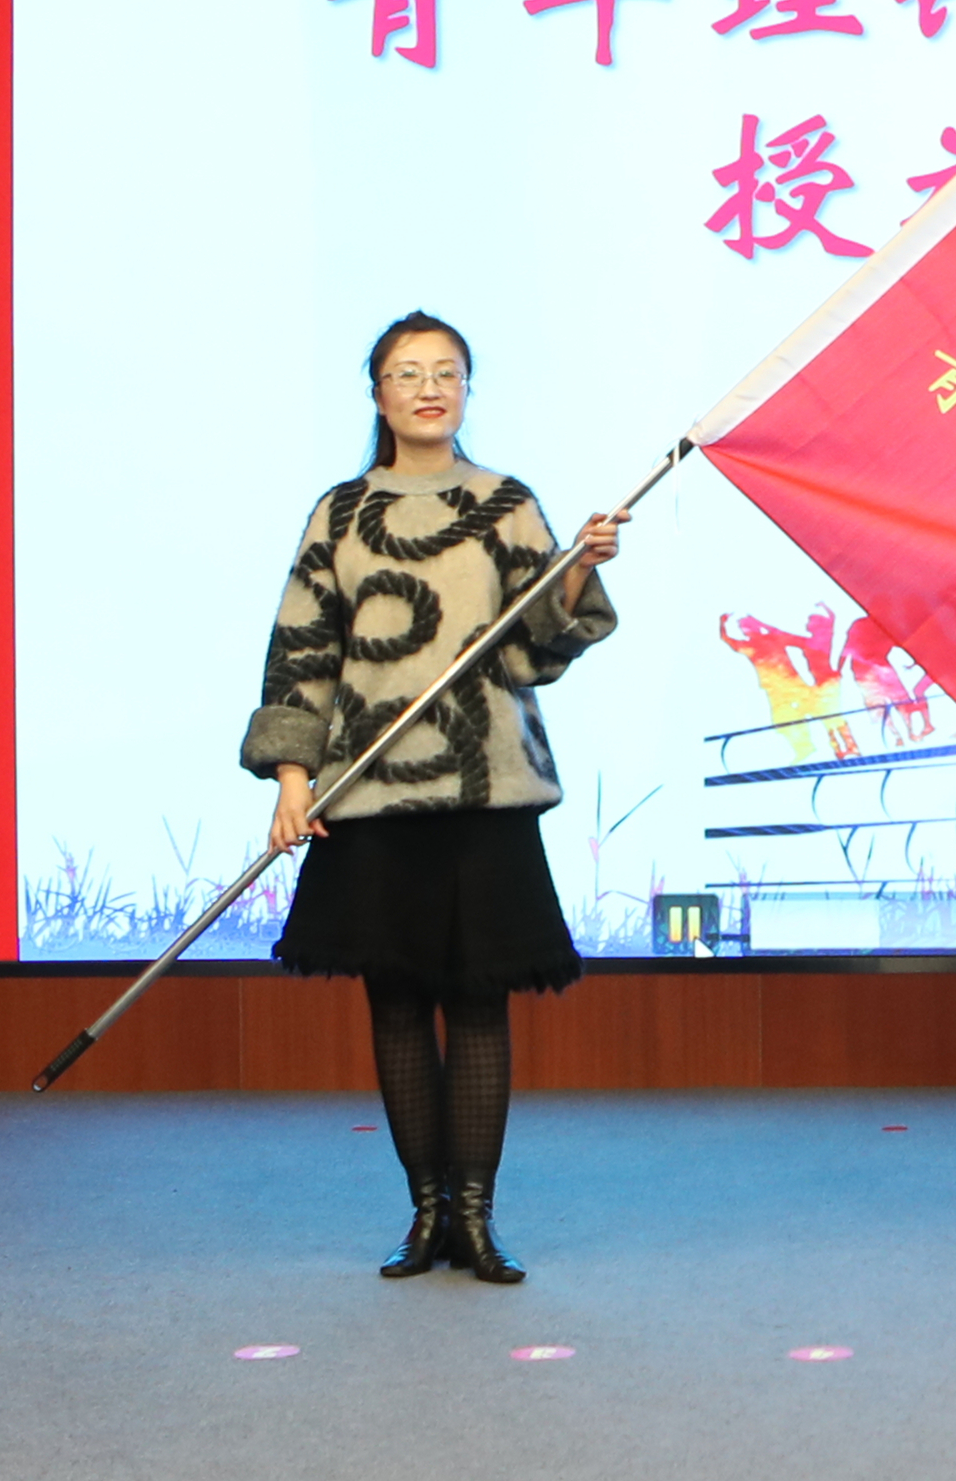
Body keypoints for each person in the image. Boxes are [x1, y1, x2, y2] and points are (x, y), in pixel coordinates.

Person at [241, 311, 627, 1284]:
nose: (427, 388)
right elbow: (302, 649)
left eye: (446, 372)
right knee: (400, 1003)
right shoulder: (339, 515)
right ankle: (425, 1215)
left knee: (481, 1002)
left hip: (487, 790)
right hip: (370, 794)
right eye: (407, 373)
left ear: (466, 390)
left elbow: (539, 650)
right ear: (377, 394)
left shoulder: (506, 504)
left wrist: (576, 572)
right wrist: (292, 779)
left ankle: (476, 1219)